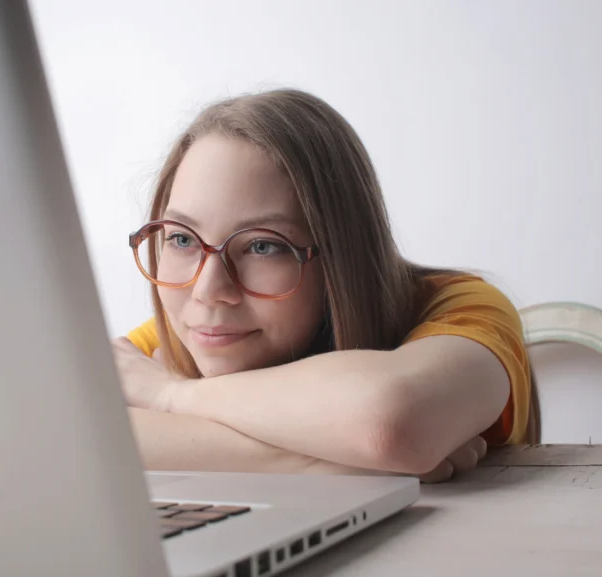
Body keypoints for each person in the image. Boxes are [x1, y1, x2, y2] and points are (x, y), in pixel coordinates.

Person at [112, 88, 539, 483]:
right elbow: (67, 435)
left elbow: (389, 421)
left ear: (341, 255)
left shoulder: (458, 307)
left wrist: (172, 396)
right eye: (182, 239)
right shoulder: (193, 332)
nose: (207, 290)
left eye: (263, 246)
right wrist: (338, 460)